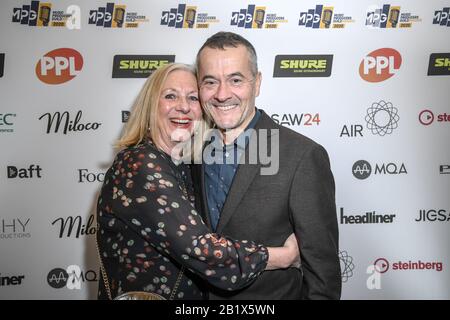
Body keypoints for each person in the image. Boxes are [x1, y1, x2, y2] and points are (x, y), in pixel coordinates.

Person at [96, 63, 300, 300]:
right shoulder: (140, 163)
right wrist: (284, 257)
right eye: (170, 96)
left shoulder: (182, 164)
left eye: (193, 98)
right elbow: (201, 250)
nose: (183, 107)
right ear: (151, 106)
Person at [192, 32, 341, 299]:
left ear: (257, 83)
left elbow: (323, 277)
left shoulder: (302, 156)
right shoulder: (191, 152)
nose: (222, 94)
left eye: (236, 80)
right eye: (210, 82)